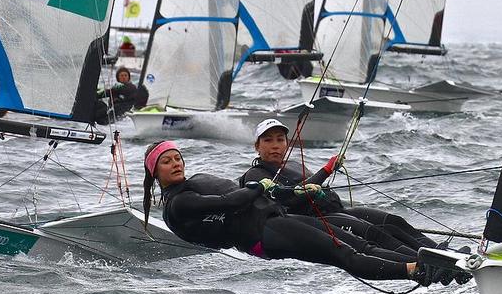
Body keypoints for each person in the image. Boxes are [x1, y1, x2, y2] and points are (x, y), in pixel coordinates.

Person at [142, 140, 426, 282]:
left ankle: (426, 261)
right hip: (262, 235)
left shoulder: (192, 186)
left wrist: (289, 190)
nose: (176, 163)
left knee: (358, 243)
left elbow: (243, 198)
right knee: (345, 254)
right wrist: (257, 187)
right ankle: (415, 270)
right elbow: (230, 202)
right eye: (166, 162)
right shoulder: (178, 204)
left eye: (178, 158)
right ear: (155, 172)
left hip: (276, 221)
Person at [239, 119, 440, 251]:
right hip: (315, 220)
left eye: (280, 139)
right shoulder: (256, 173)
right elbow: (291, 197)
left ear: (287, 143)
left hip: (338, 210)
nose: (275, 145)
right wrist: (326, 170)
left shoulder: (293, 164)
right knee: (373, 232)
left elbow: (312, 186)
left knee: (392, 221)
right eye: (267, 140)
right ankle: (421, 260)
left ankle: (440, 251)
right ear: (257, 146)